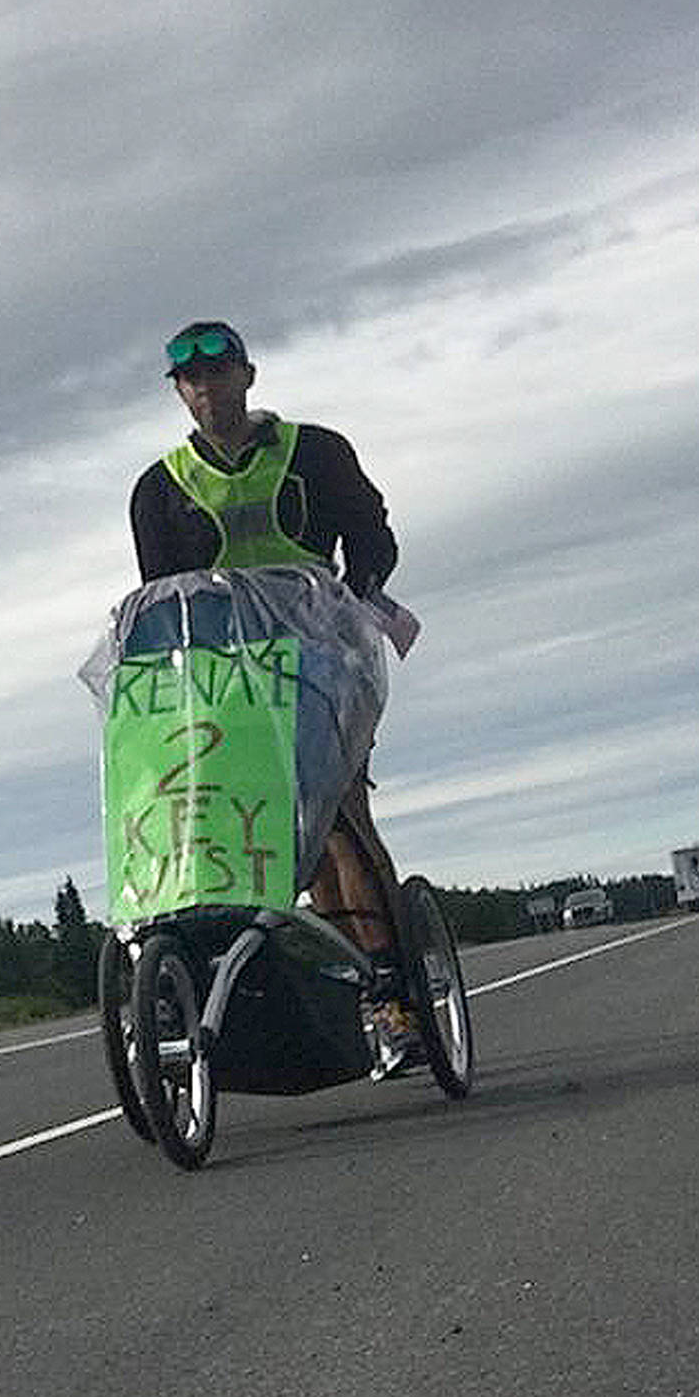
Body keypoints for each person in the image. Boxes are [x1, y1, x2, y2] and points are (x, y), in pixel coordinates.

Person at [129, 319, 408, 977]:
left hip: (322, 666)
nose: (208, 390)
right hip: (230, 682)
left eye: (219, 373)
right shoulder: (160, 489)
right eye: (192, 380)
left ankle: (392, 979)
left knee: (340, 819)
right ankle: (342, 972)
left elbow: (373, 539)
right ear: (179, 394)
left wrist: (351, 605)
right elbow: (163, 600)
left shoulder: (315, 453)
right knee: (287, 842)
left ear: (248, 376)